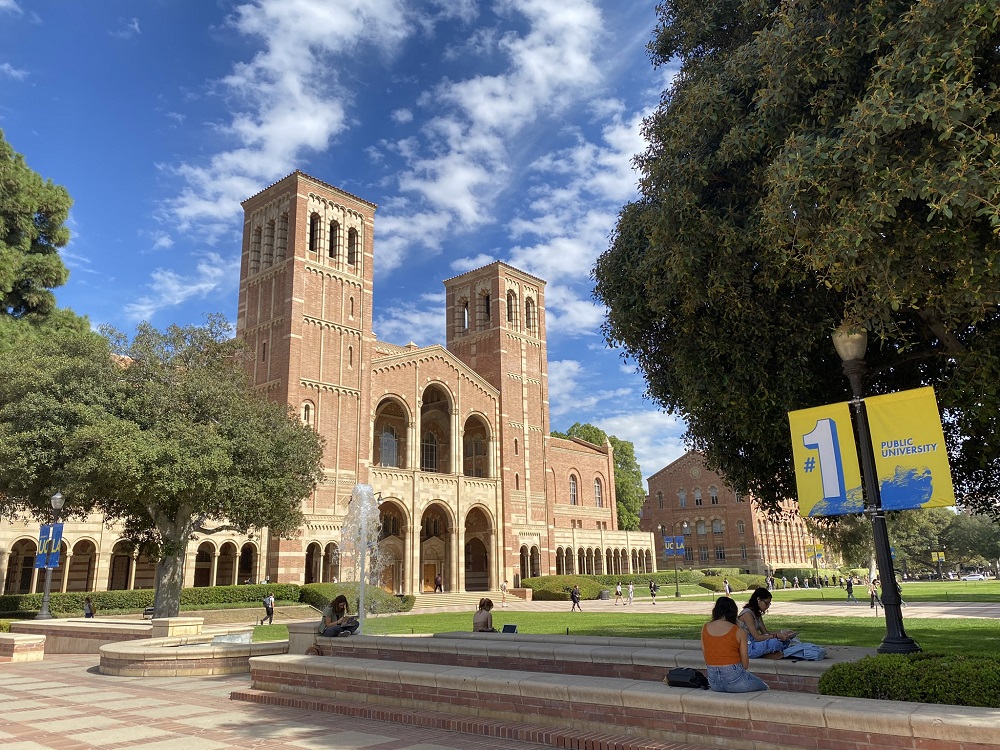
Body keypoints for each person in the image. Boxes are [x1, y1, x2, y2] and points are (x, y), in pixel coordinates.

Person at [701, 596, 768, 693]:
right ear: (733, 612)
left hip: (714, 682)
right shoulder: (738, 631)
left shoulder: (705, 628)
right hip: (735, 681)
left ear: (715, 610)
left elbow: (706, 656)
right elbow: (745, 665)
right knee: (763, 686)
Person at [738, 587, 794, 659]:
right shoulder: (747, 614)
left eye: (769, 603)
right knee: (775, 643)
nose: (767, 606)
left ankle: (766, 654)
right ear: (758, 600)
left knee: (786, 641)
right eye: (766, 603)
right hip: (747, 647)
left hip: (754, 643)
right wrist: (777, 636)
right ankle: (766, 654)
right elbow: (757, 637)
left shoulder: (756, 614)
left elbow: (765, 633)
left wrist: (783, 632)